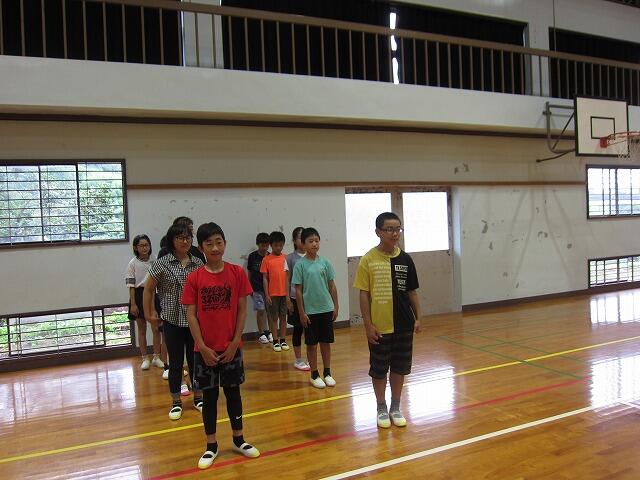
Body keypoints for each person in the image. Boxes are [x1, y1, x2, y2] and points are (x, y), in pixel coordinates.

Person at [182, 222, 260, 469]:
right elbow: (191, 315)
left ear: (225, 243)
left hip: (231, 347)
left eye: (219, 242)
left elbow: (242, 310)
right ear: (201, 248)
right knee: (210, 397)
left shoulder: (237, 273)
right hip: (204, 350)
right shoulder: (194, 278)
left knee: (233, 393)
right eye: (209, 244)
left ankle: (239, 439)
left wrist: (235, 341)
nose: (215, 248)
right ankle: (211, 445)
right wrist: (202, 346)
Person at [352, 212, 422, 429]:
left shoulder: (406, 259)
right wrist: (368, 325)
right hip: (379, 327)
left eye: (397, 229)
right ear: (378, 232)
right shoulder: (368, 260)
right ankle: (381, 407)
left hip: (404, 324)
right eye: (390, 229)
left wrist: (418, 317)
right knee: (379, 368)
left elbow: (412, 292)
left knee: (400, 367)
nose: (395, 233)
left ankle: (396, 407)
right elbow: (364, 294)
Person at [144, 223, 204, 420]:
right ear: (172, 240)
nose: (184, 241)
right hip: (172, 320)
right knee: (175, 363)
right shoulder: (162, 263)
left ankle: (198, 397)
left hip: (194, 322)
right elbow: (148, 289)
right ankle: (176, 401)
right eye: (180, 238)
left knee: (196, 361)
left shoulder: (198, 263)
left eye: (188, 237)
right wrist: (149, 313)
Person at [291, 227, 339, 388]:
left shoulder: (325, 262)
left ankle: (327, 372)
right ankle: (314, 374)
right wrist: (302, 312)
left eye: (316, 240)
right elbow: (298, 291)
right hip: (310, 312)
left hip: (326, 309)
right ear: (303, 244)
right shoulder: (300, 265)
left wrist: (336, 306)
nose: (314, 244)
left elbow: (332, 286)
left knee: (326, 342)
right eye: (310, 241)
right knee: (311, 344)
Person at [125, 234, 162, 370]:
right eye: (141, 246)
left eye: (146, 245)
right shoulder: (132, 263)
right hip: (138, 295)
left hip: (153, 294)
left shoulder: (155, 260)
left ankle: (156, 357)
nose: (144, 248)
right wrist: (133, 304)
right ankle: (145, 358)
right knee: (141, 329)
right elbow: (131, 286)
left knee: (156, 328)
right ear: (136, 247)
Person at [260, 231, 291, 352]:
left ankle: (283, 340)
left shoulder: (286, 258)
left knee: (283, 317)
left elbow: (288, 277)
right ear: (271, 245)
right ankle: (275, 341)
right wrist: (267, 294)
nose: (278, 247)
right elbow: (265, 278)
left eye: (281, 245)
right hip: (272, 294)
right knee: (273, 318)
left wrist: (288, 294)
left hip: (284, 294)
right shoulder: (266, 259)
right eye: (276, 245)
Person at [286, 227, 310, 371]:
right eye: (300, 237)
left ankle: (310, 358)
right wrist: (288, 299)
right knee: (298, 329)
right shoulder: (290, 258)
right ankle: (298, 359)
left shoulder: (312, 256)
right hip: (295, 298)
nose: (302, 240)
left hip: (310, 299)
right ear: (294, 240)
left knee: (310, 330)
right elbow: (287, 280)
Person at [246, 233, 272, 344]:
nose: (264, 248)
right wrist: (249, 287)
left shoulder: (270, 256)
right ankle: (261, 333)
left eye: (266, 245)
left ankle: (270, 331)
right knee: (260, 310)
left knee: (270, 311)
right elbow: (249, 273)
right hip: (256, 289)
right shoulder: (252, 256)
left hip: (269, 290)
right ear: (258, 244)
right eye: (262, 245)